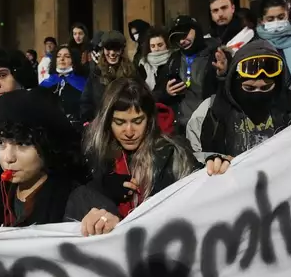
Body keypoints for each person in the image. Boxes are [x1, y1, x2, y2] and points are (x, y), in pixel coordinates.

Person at [79, 78, 231, 231]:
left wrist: (214, 167)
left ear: (149, 120)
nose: (129, 132)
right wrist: (103, 192)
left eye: (137, 121)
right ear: (107, 122)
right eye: (120, 122)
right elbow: (83, 200)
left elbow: (197, 188)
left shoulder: (173, 154)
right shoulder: (98, 152)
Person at [0, 89, 88, 240]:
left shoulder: (75, 199)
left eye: (22, 144)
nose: (8, 158)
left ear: (49, 146)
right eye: (1, 143)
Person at [187, 40, 291, 162]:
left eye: (266, 88)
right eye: (249, 88)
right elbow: (190, 159)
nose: (257, 95)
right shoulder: (208, 113)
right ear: (233, 81)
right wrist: (213, 160)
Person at [154, 15, 224, 134]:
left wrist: (223, 74)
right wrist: (167, 92)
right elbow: (156, 94)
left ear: (196, 30)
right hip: (180, 129)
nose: (182, 41)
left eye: (184, 35)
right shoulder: (174, 60)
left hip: (211, 128)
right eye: (177, 38)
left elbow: (232, 92)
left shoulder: (217, 55)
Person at [80, 30, 138, 123]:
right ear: (103, 50)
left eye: (116, 49)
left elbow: (140, 99)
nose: (112, 53)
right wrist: (89, 120)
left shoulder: (132, 72)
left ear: (122, 50)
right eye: (108, 49)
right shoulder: (96, 73)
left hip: (126, 124)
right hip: (100, 125)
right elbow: (86, 101)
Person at [40, 45, 88, 125]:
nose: (62, 59)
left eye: (67, 56)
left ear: (73, 60)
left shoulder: (82, 82)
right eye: (58, 56)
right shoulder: (47, 82)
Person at [137, 26, 172, 90]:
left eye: (160, 45)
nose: (156, 49)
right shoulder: (143, 64)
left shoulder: (174, 59)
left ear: (166, 44)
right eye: (153, 46)